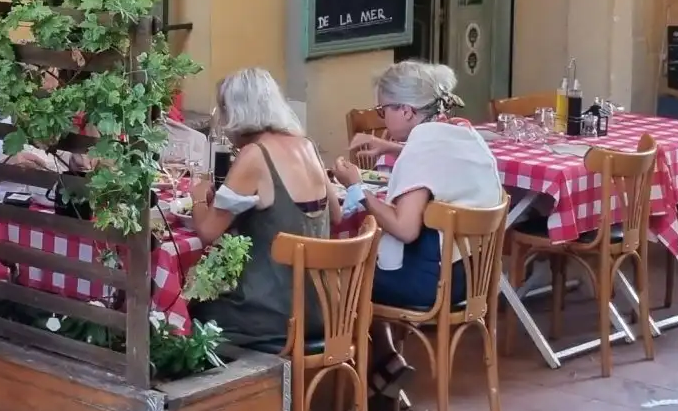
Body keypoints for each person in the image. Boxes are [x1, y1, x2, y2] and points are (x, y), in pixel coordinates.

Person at [331, 60, 506, 315]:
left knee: (338, 274)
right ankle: (387, 352)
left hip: (432, 283)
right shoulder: (462, 131)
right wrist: (391, 147)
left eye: (383, 110)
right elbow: (440, 160)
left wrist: (357, 187)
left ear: (406, 110)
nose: (382, 117)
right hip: (478, 274)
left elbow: (406, 229)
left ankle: (378, 353)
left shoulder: (422, 149)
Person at [185, 68, 330, 353]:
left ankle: (231, 395)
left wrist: (199, 197)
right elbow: (334, 215)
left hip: (274, 316)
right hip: (323, 309)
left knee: (193, 307)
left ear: (236, 112)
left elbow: (207, 233)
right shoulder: (307, 146)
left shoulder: (255, 155)